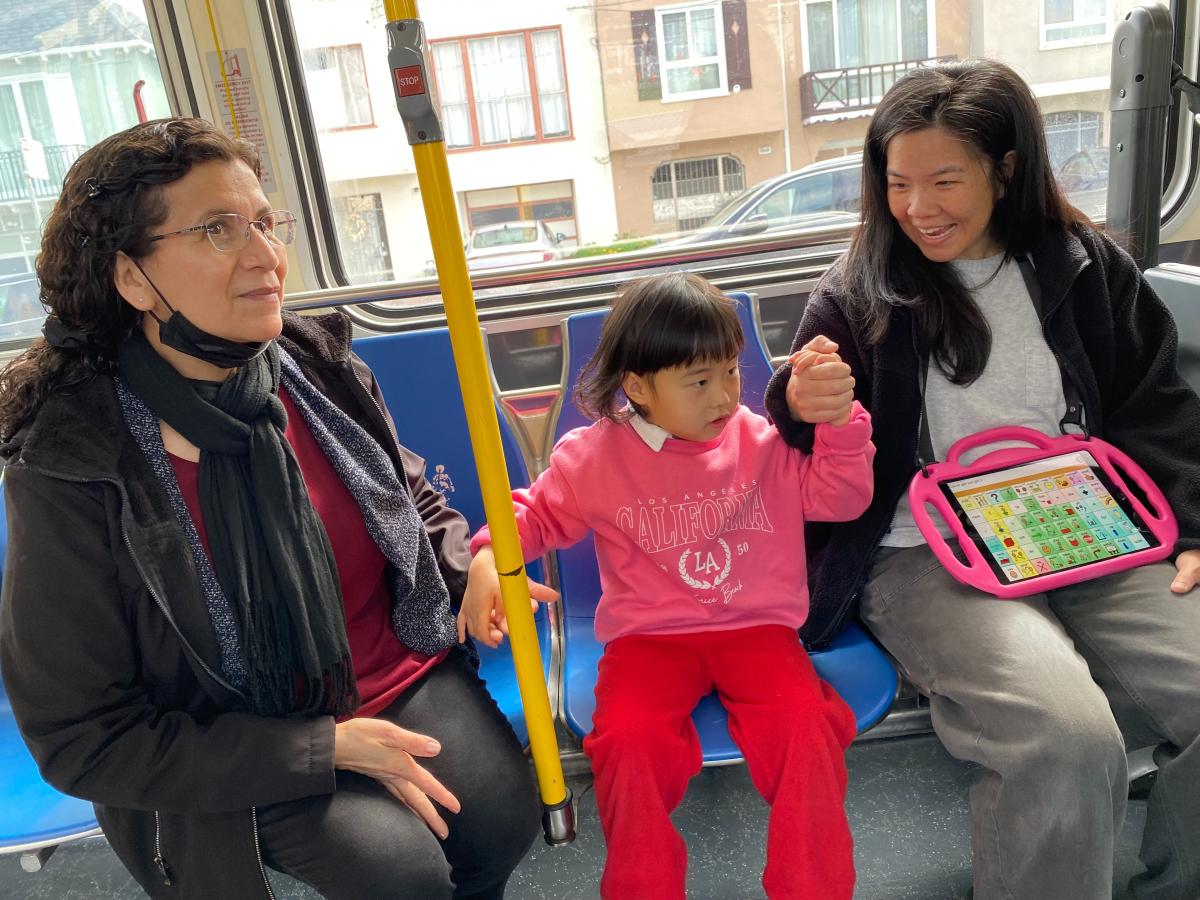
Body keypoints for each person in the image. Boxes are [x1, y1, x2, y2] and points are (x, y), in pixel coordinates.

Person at [0, 118, 539, 900]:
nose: (265, 256)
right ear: (131, 278)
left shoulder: (313, 365)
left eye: (262, 222)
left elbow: (408, 498)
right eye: (218, 230)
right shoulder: (74, 463)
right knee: (401, 876)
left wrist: (472, 562)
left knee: (500, 821)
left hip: (391, 672)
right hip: (233, 732)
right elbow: (81, 736)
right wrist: (318, 750)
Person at [764, 59, 1200, 900]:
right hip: (923, 552)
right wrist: (799, 401)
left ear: (1005, 171)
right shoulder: (858, 295)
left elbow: (1155, 403)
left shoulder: (1085, 268)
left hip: (1084, 525)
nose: (919, 209)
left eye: (945, 182)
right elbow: (789, 443)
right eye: (898, 184)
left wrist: (1194, 522)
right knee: (1065, 738)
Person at [460, 272, 875, 900]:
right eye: (699, 381)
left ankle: (813, 887)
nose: (724, 396)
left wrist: (841, 422)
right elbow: (536, 516)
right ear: (638, 388)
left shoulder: (764, 441)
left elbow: (841, 499)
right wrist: (490, 554)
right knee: (627, 744)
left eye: (732, 372)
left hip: (756, 630)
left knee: (805, 733)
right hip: (650, 639)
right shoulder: (596, 457)